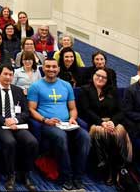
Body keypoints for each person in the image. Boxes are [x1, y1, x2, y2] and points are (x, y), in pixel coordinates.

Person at [27, 58, 90, 191]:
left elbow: (72, 108)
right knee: (61, 137)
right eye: (48, 66)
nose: (51, 69)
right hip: (48, 125)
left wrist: (73, 118)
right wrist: (45, 120)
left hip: (68, 123)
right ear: (43, 68)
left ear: (58, 69)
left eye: (54, 67)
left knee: (85, 137)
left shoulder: (66, 85)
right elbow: (31, 109)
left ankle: (78, 177)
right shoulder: (36, 86)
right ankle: (65, 177)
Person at [0, 65, 38, 191]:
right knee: (9, 142)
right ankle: (10, 174)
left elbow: (26, 111)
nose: (8, 77)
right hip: (2, 125)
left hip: (18, 124)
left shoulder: (18, 90)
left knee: (32, 142)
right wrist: (5, 120)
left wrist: (16, 120)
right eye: (5, 74)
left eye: (10, 75)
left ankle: (26, 174)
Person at [77, 68, 132, 185]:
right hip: (94, 122)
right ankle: (108, 169)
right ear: (93, 75)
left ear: (108, 80)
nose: (100, 78)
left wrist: (113, 122)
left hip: (112, 122)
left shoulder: (113, 91)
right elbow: (86, 110)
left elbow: (121, 111)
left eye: (104, 77)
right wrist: (102, 122)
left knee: (120, 131)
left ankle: (120, 166)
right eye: (98, 75)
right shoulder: (85, 90)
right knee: (103, 132)